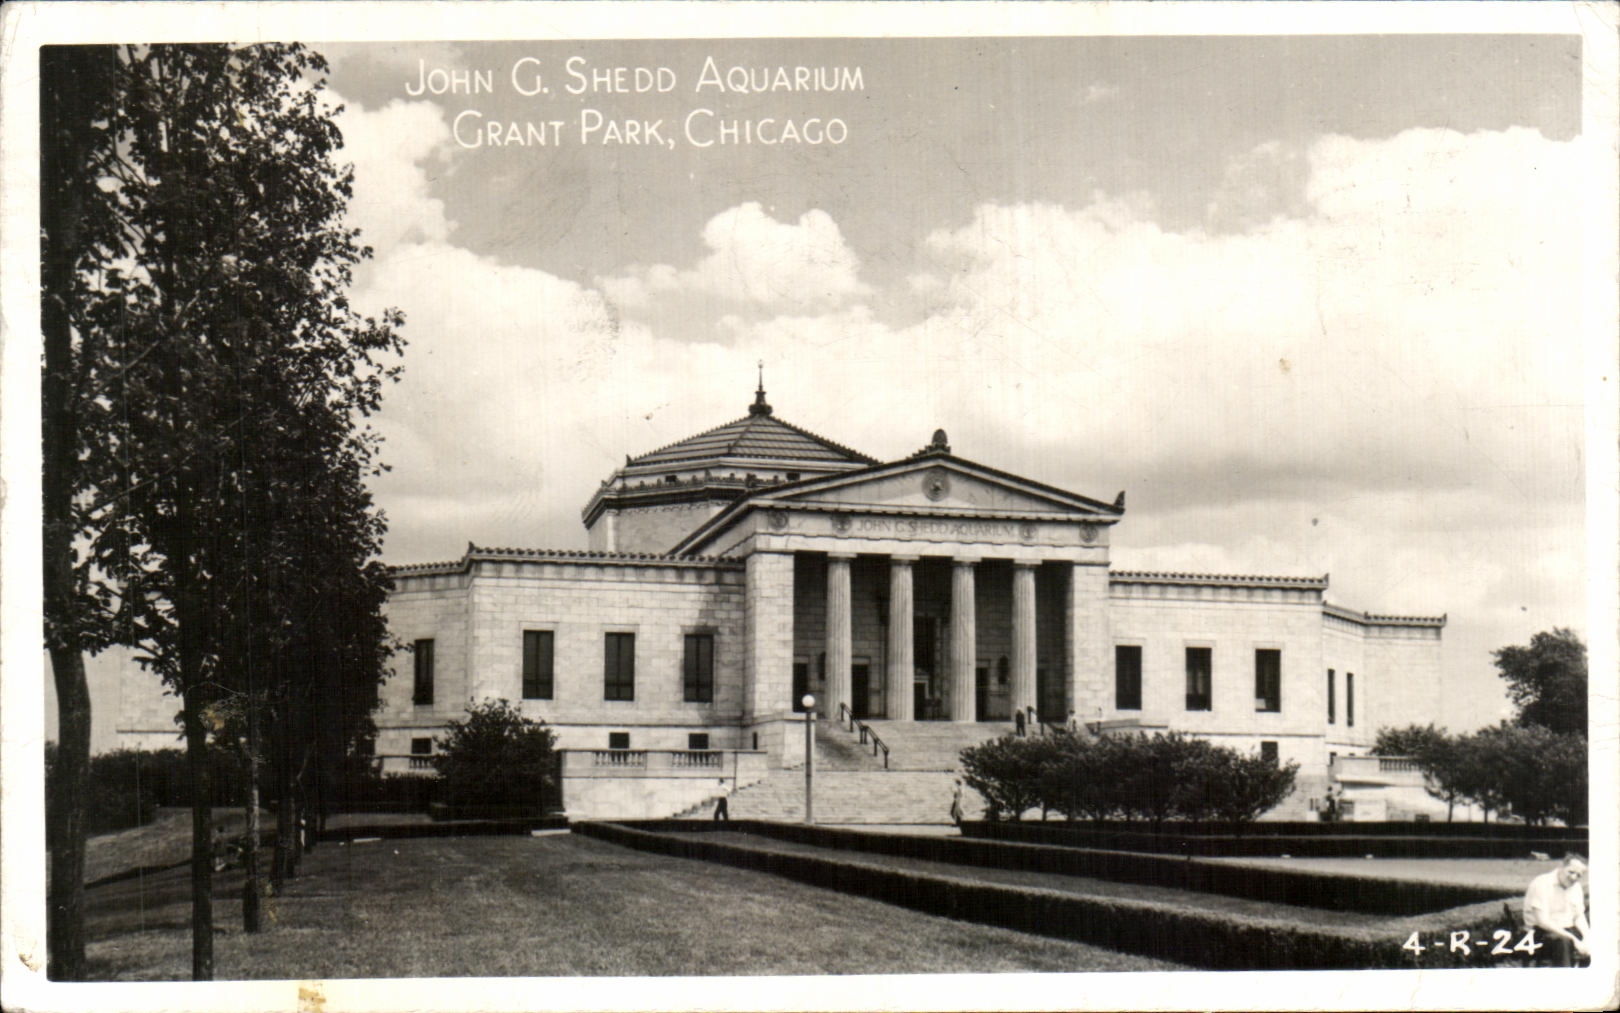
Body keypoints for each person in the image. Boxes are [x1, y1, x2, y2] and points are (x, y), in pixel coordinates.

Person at [1523, 852, 1590, 966]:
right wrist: (1573, 939)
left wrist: (1588, 936)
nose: (1574, 877)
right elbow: (1543, 922)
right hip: (1540, 933)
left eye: (1578, 875)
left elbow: (1578, 915)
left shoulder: (1576, 887)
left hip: (1566, 930)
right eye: (1571, 872)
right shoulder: (1542, 883)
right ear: (1561, 867)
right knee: (1563, 942)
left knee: (1595, 943)